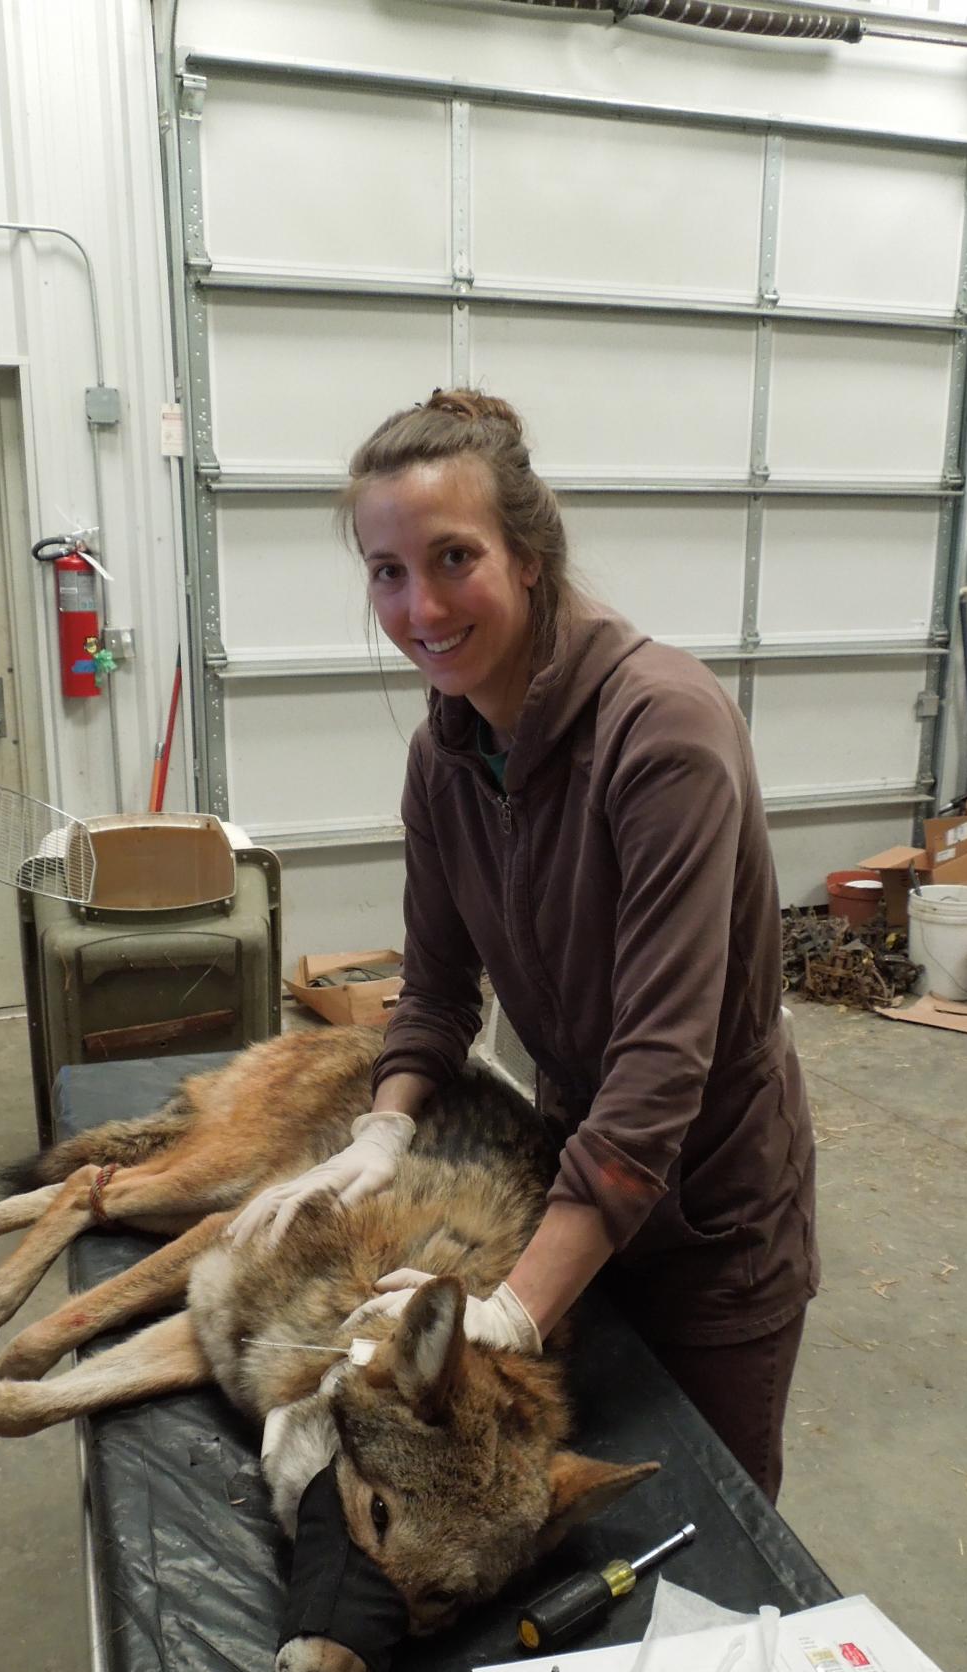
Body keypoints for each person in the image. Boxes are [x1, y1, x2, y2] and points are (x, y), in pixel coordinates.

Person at [230, 389, 818, 1504]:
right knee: (558, 1514)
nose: (421, 606)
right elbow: (440, 989)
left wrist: (516, 1310)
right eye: (387, 572)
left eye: (455, 558)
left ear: (531, 556)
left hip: (711, 1222)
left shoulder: (663, 735)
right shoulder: (445, 756)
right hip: (570, 1191)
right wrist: (386, 1123)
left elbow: (659, 1072)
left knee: (707, 1524)